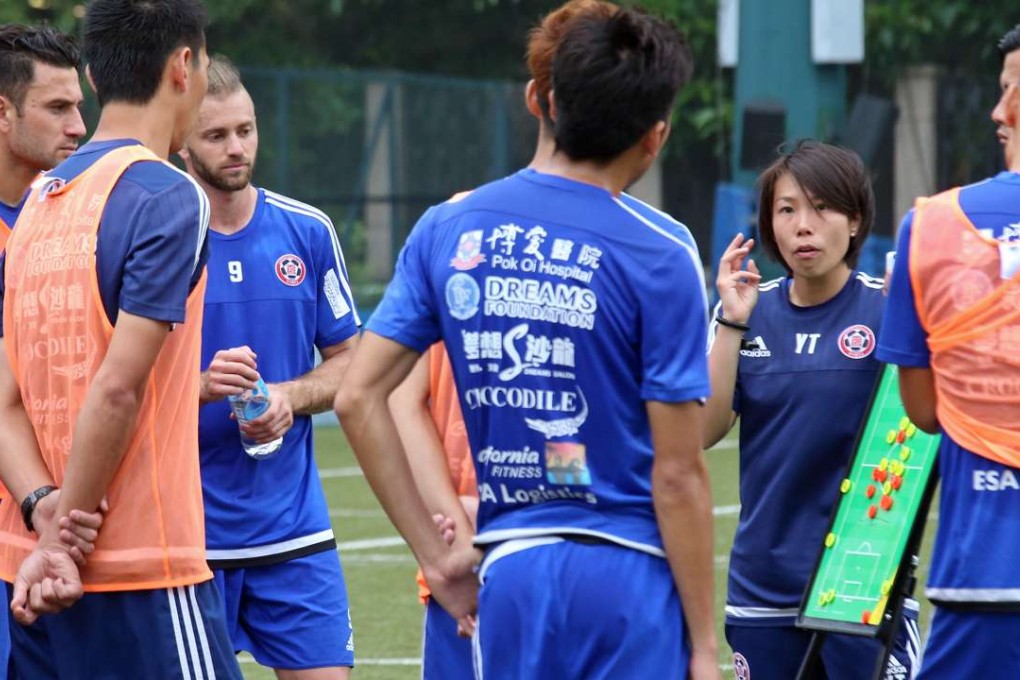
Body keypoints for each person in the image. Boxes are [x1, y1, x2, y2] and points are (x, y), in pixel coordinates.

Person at [338, 8, 721, 679]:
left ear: (539, 99)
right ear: (654, 137)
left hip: (510, 575)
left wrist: (435, 556)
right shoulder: (664, 252)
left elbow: (357, 397)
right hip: (630, 580)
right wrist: (704, 645)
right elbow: (679, 472)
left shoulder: (447, 228)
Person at [0, 0, 243, 677]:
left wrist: (44, 513)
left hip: (34, 571)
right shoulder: (167, 194)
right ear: (184, 66)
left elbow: (6, 400)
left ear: (98, 80)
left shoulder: (38, 204)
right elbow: (115, 388)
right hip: (138, 569)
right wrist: (66, 537)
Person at [703, 140, 920, 679]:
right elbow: (702, 431)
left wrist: (911, 328)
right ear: (768, 226)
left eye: (822, 207)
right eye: (787, 209)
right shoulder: (745, 314)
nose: (804, 225)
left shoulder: (885, 309)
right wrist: (731, 321)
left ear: (855, 221)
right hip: (763, 593)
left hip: (865, 588)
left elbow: (928, 419)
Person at [180, 55, 360, 679]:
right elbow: (109, 387)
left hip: (294, 531)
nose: (237, 148)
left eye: (247, 130)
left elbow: (351, 364)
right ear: (181, 141)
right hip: (187, 540)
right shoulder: (154, 237)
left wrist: (289, 395)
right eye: (217, 135)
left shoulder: (307, 231)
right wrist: (201, 388)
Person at [877, 23, 1020, 677]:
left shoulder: (930, 227)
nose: (996, 110)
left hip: (979, 575)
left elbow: (926, 411)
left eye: (1009, 90)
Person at [0, 24, 85, 246]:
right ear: (3, 113)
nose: (79, 128)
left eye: (78, 107)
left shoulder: (77, 212)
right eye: (57, 107)